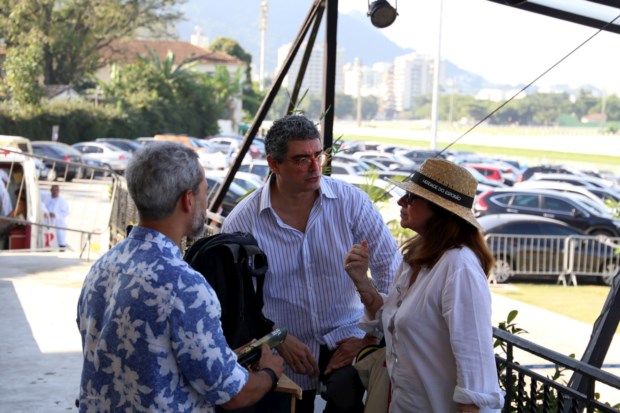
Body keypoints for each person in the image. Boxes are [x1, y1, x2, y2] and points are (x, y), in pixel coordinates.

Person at [76, 142, 284, 412]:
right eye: (204, 192)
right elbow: (234, 395)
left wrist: (222, 356)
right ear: (188, 200)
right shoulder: (185, 286)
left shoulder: (103, 267)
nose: (205, 203)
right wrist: (270, 371)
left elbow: (141, 358)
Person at [221, 114, 401, 413]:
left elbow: (392, 272)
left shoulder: (351, 202)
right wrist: (274, 336)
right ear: (274, 164)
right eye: (301, 159)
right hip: (281, 357)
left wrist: (371, 338)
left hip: (347, 342)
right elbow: (235, 303)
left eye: (318, 155)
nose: (315, 166)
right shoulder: (243, 221)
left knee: (347, 396)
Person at [344, 158, 504, 412]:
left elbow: (475, 363)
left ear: (438, 210)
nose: (401, 202)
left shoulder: (459, 266)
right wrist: (361, 280)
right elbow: (392, 319)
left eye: (411, 197)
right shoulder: (416, 259)